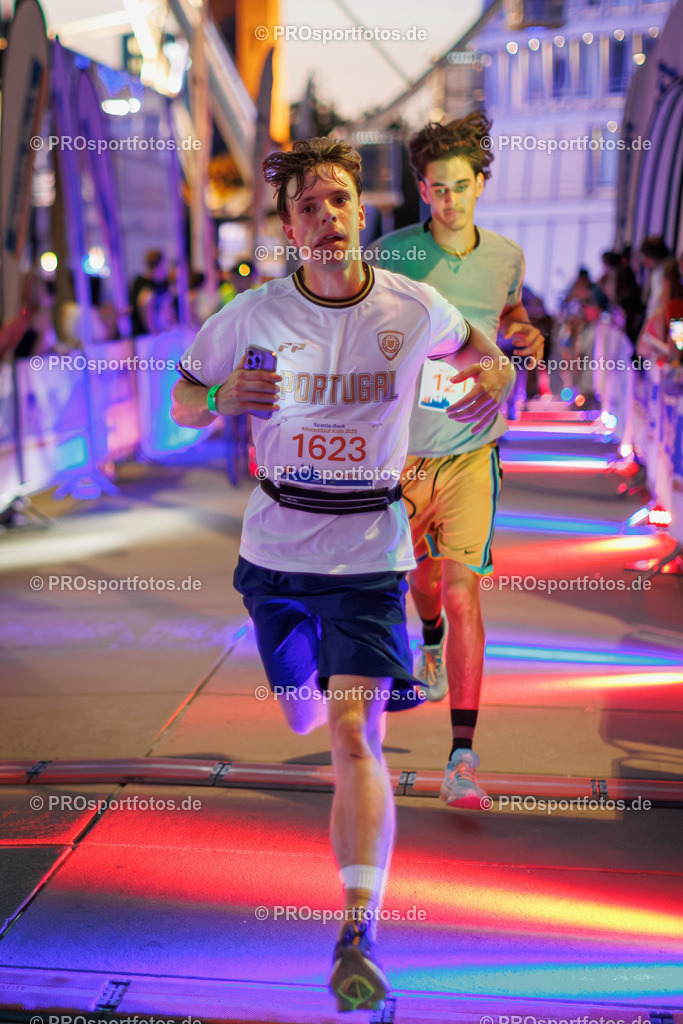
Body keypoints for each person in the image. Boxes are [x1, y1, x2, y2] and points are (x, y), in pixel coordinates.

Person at [171, 136, 514, 1012]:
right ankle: (313, 684)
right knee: (301, 714)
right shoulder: (250, 315)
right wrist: (216, 403)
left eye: (340, 203)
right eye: (310, 207)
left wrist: (500, 366)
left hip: (370, 553)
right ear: (288, 229)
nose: (328, 218)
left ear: (362, 214)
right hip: (276, 554)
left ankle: (357, 929)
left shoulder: (410, 304)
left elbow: (481, 345)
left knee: (352, 738)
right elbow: (178, 400)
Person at [375, 112, 543, 810]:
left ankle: (462, 757)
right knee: (421, 581)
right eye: (436, 190)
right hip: (405, 457)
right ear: (422, 189)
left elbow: (508, 313)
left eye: (460, 187)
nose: (449, 200)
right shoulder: (390, 253)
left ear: (480, 185)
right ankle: (431, 643)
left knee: (462, 586)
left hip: (473, 450)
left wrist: (522, 333)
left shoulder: (504, 255)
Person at [130, 248, 175, 335]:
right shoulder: (146, 288)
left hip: (153, 336)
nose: (167, 268)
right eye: (165, 264)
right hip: (146, 338)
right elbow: (148, 319)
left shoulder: (159, 285)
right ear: (158, 265)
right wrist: (155, 333)